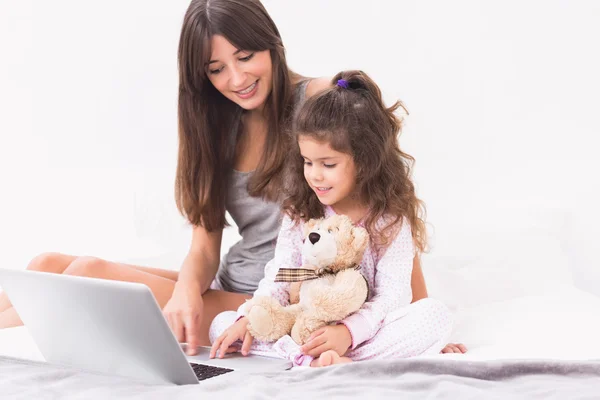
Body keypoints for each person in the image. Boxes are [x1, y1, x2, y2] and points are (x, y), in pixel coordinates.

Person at [0, 0, 466, 356]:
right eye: (216, 69)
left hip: (283, 296)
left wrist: (415, 327)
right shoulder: (213, 122)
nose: (237, 78)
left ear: (271, 44)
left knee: (87, 275)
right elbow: (204, 245)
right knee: (47, 263)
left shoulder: (321, 103)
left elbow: (389, 203)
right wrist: (186, 293)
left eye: (245, 56)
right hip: (238, 283)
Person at [209, 71, 455, 367]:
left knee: (434, 316)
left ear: (365, 161)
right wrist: (250, 317)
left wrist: (348, 333)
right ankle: (313, 357)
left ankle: (318, 358)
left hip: (364, 330)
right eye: (307, 162)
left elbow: (391, 296)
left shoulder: (388, 221)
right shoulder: (300, 212)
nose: (314, 174)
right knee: (222, 325)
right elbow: (283, 275)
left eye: (328, 164)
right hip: (304, 326)